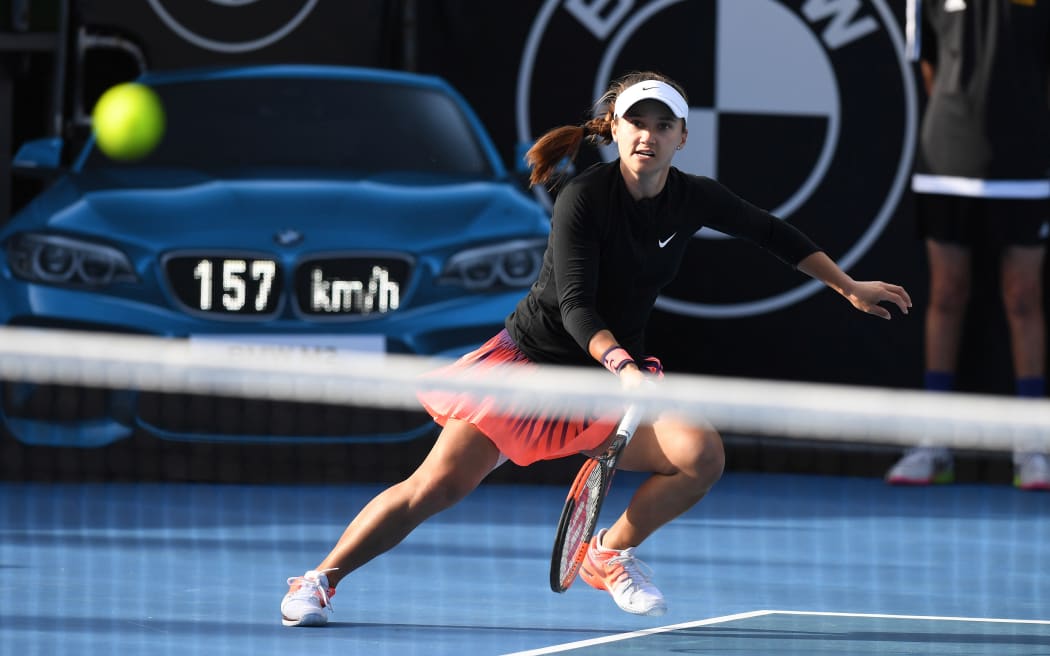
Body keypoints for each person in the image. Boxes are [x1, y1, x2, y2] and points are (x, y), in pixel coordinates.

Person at [280, 71, 913, 627]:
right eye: (637, 123)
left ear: (682, 138)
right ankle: (320, 579)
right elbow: (576, 304)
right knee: (432, 489)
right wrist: (623, 366)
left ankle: (608, 553)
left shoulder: (693, 196)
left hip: (613, 380)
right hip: (531, 370)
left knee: (701, 455)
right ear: (614, 129)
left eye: (663, 126)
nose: (649, 136)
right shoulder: (583, 198)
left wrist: (847, 286)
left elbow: (768, 230)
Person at [886, 0, 1050, 490]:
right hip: (947, 160)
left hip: (1027, 163)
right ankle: (935, 444)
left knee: (1024, 298)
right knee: (947, 294)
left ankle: (1032, 447)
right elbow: (931, 67)